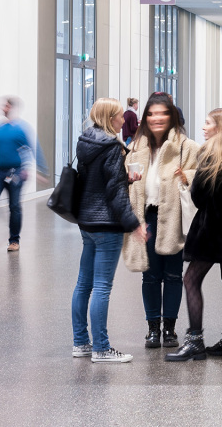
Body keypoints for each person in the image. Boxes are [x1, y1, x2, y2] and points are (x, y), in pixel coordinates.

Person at [166, 108, 222, 362]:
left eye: (208, 123)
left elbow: (199, 195)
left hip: (212, 229)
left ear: (220, 128)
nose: (204, 128)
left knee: (191, 279)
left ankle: (195, 340)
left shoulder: (210, 153)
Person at [71, 97, 147, 363]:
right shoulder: (112, 148)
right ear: (108, 118)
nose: (123, 120)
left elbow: (97, 181)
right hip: (106, 224)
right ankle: (101, 348)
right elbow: (114, 193)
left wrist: (124, 177)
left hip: (87, 221)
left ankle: (81, 343)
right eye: (118, 116)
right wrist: (133, 223)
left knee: (84, 284)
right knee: (102, 287)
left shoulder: (86, 141)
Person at [127, 92, 199, 350]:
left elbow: (200, 176)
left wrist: (186, 175)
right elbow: (129, 184)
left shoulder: (186, 146)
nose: (157, 118)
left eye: (162, 113)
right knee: (149, 276)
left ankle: (169, 328)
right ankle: (152, 328)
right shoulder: (137, 147)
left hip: (175, 218)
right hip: (146, 217)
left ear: (172, 117)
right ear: (145, 117)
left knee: (172, 275)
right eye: (151, 113)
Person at [0, 97, 48, 252]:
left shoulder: (21, 128)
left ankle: (14, 241)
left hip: (16, 172)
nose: (5, 107)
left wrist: (41, 170)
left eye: (8, 105)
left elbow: (32, 148)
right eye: (4, 105)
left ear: (13, 108)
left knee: (14, 206)